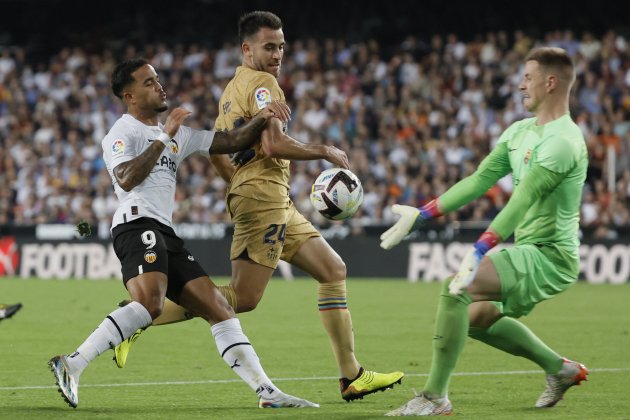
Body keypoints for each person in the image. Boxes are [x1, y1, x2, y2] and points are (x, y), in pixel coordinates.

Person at [114, 11, 404, 402]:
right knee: (244, 297)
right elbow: (271, 144)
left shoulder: (232, 90)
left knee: (333, 269)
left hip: (274, 199)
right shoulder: (264, 84)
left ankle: (351, 375)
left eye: (282, 45)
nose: (278, 53)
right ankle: (140, 315)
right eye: (270, 46)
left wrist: (237, 184)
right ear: (247, 48)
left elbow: (219, 150)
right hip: (265, 198)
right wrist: (322, 150)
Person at [48, 58, 318, 410]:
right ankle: (72, 363)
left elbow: (234, 138)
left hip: (165, 233)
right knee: (150, 302)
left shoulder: (182, 136)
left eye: (157, 79)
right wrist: (165, 135)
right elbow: (127, 178)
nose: (159, 86)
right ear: (130, 96)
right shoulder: (122, 132)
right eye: (149, 82)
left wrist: (264, 116)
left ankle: (267, 392)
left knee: (220, 307)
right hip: (135, 224)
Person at [380, 47, 589, 416]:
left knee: (455, 288)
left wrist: (479, 250)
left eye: (528, 77)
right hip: (530, 249)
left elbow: (522, 199)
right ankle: (561, 369)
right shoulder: (520, 131)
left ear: (550, 82)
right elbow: (479, 181)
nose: (521, 84)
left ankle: (434, 398)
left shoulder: (563, 141)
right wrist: (423, 214)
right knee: (473, 319)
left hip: (552, 255)